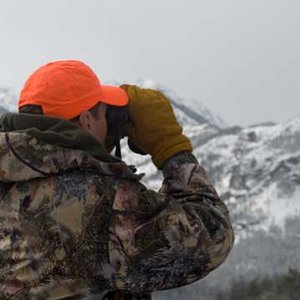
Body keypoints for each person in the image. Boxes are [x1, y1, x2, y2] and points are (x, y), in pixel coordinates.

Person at [0, 60, 234, 300]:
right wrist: (171, 148)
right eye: (103, 114)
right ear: (87, 121)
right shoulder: (97, 200)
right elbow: (212, 238)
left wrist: (94, 150)